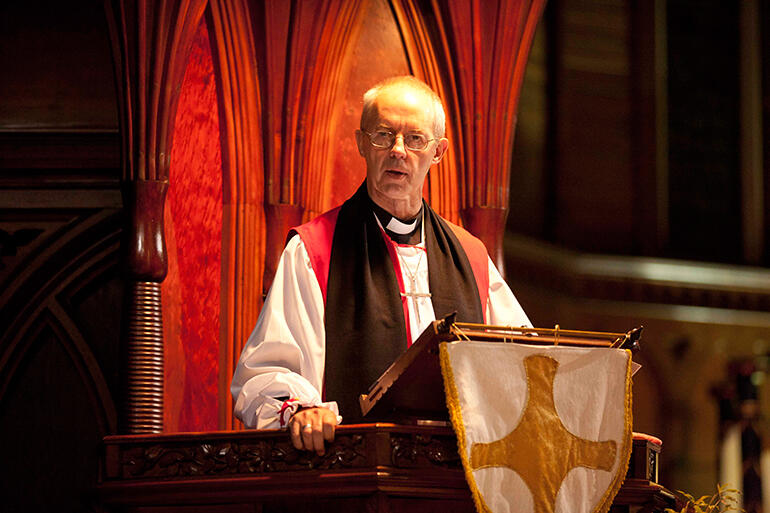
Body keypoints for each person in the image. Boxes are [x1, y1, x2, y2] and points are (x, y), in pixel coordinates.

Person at [231, 76, 530, 455]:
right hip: (357, 471)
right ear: (361, 144)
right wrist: (300, 410)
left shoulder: (470, 256)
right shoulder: (314, 249)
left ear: (438, 152)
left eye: (415, 139)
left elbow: (522, 361)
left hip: (454, 478)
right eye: (383, 136)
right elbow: (266, 370)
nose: (398, 151)